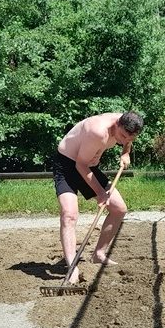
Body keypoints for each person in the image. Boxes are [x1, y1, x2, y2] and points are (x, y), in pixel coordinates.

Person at [53, 111, 143, 284]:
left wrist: (125, 152)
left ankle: (99, 254)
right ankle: (72, 267)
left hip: (88, 167)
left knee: (119, 209)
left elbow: (128, 139)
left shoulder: (127, 126)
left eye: (129, 138)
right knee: (69, 215)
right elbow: (80, 165)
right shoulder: (98, 131)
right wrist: (101, 194)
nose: (124, 140)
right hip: (67, 166)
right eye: (123, 136)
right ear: (117, 124)